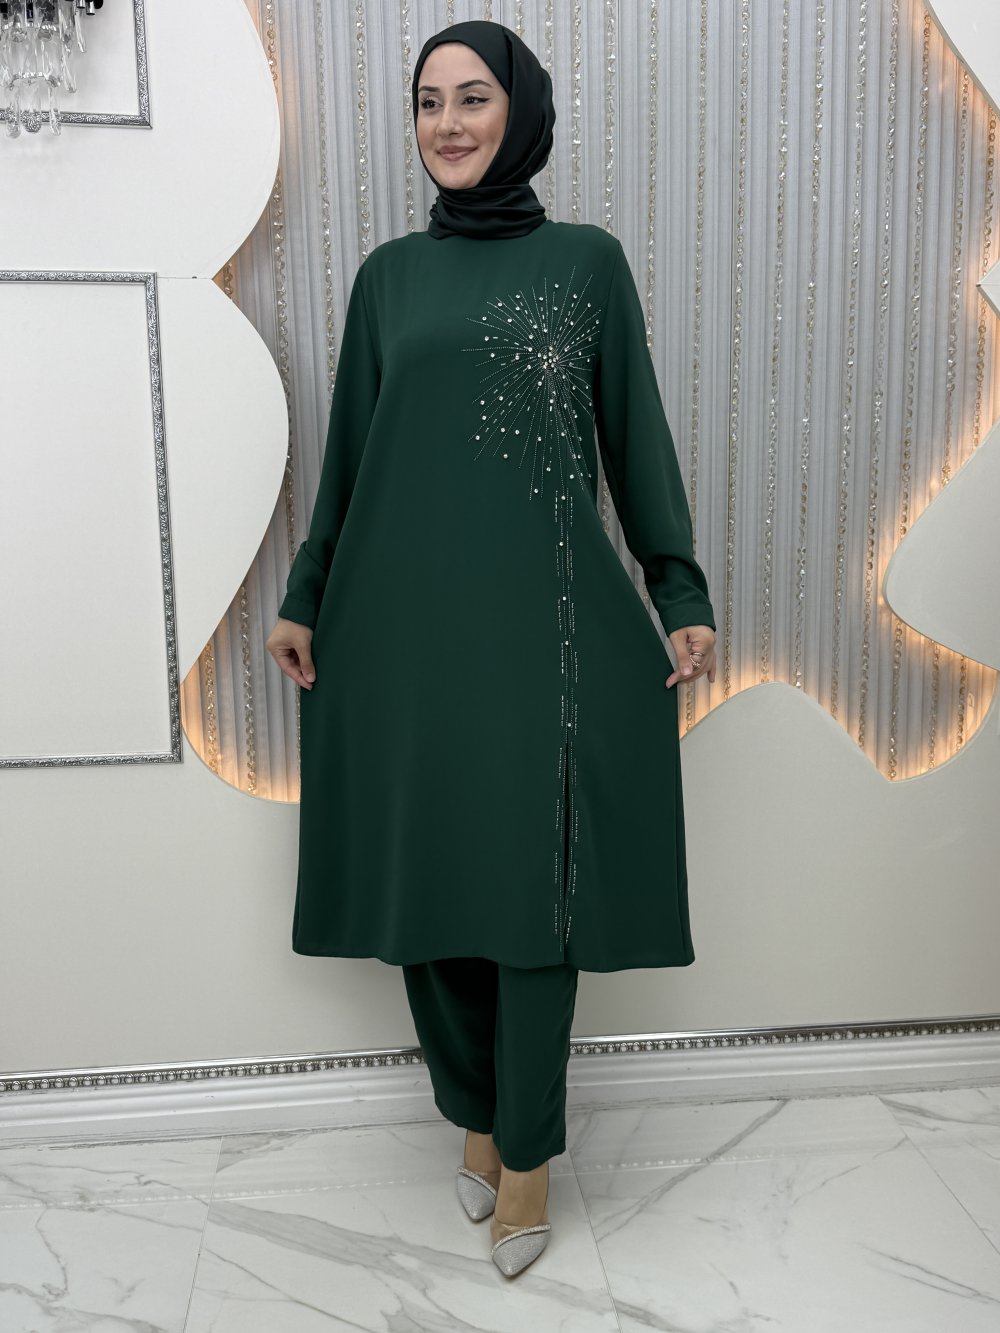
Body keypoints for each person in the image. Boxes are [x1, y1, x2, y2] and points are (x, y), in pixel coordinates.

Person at [266, 20, 717, 1278]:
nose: (448, 123)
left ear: (519, 112)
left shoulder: (586, 263)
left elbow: (633, 435)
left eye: (472, 98)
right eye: (428, 102)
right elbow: (350, 458)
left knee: (532, 903)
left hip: (540, 632)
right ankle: (471, 1113)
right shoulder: (387, 280)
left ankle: (525, 1153)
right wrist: (305, 594)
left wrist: (677, 584)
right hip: (397, 629)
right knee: (427, 896)